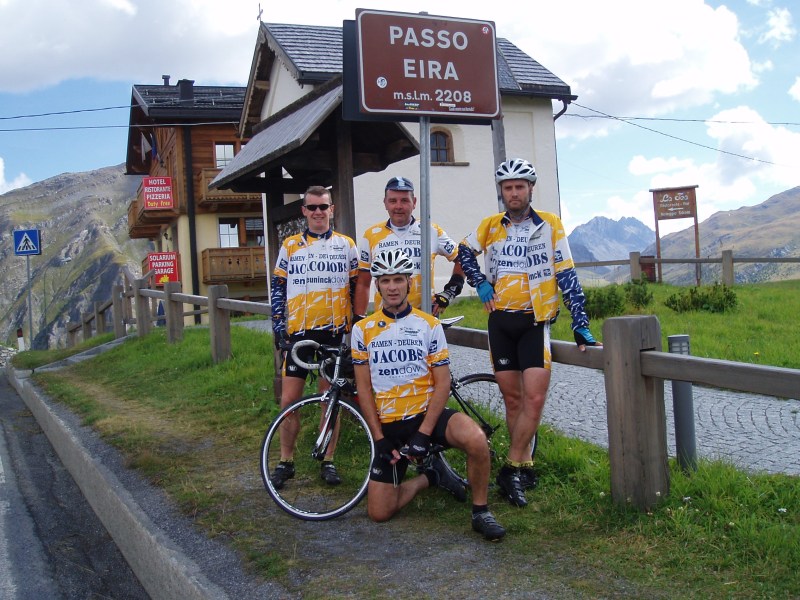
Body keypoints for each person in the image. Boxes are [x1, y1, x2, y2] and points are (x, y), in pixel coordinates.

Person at [458, 158, 599, 508]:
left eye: (520, 186)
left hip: (535, 321)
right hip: (501, 322)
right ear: (502, 192)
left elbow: (566, 273)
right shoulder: (491, 226)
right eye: (508, 187)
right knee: (513, 401)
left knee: (534, 399)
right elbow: (463, 250)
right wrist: (479, 283)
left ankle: (511, 466)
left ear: (530, 189)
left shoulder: (550, 225)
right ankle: (524, 465)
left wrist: (580, 323)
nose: (514, 192)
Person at [351, 248, 506, 542]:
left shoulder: (429, 325)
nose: (393, 287)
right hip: (390, 424)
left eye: (399, 279)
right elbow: (364, 390)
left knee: (475, 439)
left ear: (409, 282)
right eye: (386, 281)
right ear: (377, 285)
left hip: (427, 416)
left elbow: (443, 383)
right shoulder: (363, 330)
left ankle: (481, 511)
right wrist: (379, 439)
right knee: (379, 513)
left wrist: (423, 435)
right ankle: (431, 477)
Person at [269, 186, 359, 489]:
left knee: (329, 401)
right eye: (312, 207)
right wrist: (279, 327)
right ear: (304, 211)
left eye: (323, 207)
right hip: (299, 335)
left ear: (332, 209)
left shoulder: (347, 246)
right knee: (288, 401)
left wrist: (356, 326)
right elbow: (278, 288)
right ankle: (285, 461)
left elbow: (358, 287)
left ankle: (328, 461)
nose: (318, 212)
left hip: (333, 334)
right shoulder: (290, 246)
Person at [353, 176, 465, 319]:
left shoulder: (430, 230)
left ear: (414, 203)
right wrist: (359, 318)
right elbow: (363, 282)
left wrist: (450, 291)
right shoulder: (371, 235)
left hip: (424, 317)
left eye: (404, 200)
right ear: (385, 203)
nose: (398, 206)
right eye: (393, 201)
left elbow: (462, 259)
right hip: (384, 319)